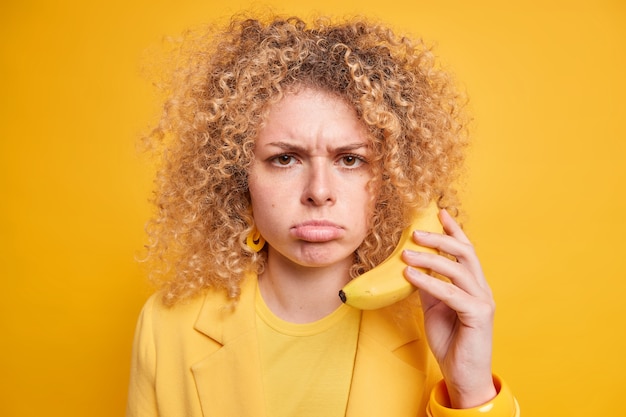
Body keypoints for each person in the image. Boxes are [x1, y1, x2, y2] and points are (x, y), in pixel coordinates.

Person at [126, 14, 520, 417]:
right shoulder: (167, 326)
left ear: (391, 179)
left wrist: (469, 389)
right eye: (285, 159)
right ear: (237, 176)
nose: (318, 192)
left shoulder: (438, 329)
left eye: (350, 159)